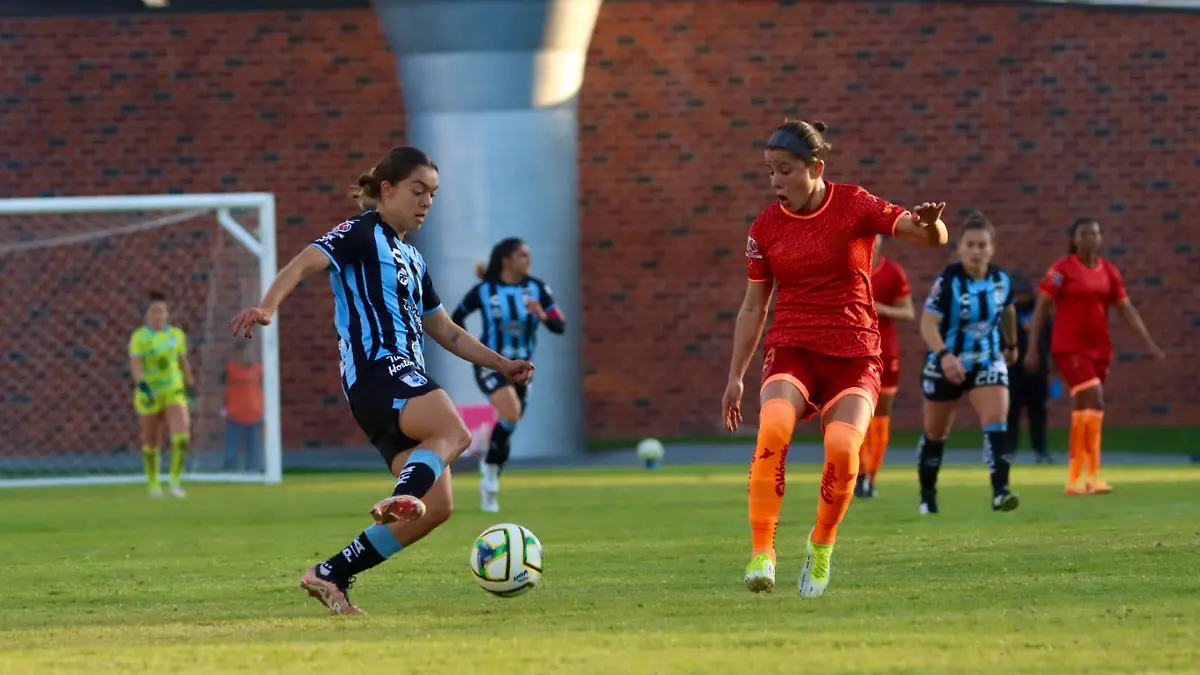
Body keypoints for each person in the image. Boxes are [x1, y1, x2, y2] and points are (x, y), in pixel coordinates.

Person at [229, 146, 534, 615]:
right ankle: (402, 495)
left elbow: (447, 330)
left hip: (392, 384)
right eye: (417, 190)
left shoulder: (412, 259)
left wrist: (502, 365)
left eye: (432, 193)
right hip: (380, 370)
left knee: (439, 507)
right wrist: (268, 304)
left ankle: (330, 574)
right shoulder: (359, 232)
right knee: (452, 432)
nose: (426, 201)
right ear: (387, 190)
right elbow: (304, 263)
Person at [722, 119, 947, 598]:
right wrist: (735, 376)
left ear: (816, 168)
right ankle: (763, 552)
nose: (775, 181)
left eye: (785, 170)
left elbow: (928, 236)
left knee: (845, 451)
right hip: (793, 348)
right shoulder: (764, 228)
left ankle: (821, 544)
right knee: (774, 426)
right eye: (769, 172)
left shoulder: (854, 204)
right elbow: (753, 306)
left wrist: (932, 224)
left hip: (855, 351)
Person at [1025, 218, 1164, 495]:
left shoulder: (1109, 272)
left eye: (1095, 233)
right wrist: (1031, 347)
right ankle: (1095, 474)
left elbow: (1126, 309)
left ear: (1101, 238)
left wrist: (1148, 342)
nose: (1090, 238)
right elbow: (1042, 307)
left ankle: (1077, 478)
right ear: (1074, 239)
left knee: (1084, 410)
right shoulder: (1062, 270)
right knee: (1095, 398)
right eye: (1084, 233)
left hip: (1099, 350)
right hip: (1069, 348)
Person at [916, 213, 1020, 515]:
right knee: (936, 432)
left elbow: (1009, 312)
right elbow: (927, 324)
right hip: (945, 362)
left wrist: (1011, 345)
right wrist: (946, 356)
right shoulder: (948, 282)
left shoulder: (1001, 280)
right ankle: (928, 497)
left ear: (992, 248)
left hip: (987, 359)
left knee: (997, 420)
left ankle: (1001, 493)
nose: (976, 251)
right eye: (970, 245)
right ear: (960, 247)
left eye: (982, 245)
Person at [451, 238, 565, 513]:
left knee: (509, 423)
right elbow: (454, 318)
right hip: (491, 365)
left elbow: (559, 325)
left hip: (523, 369)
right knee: (511, 412)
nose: (528, 260)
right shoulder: (483, 291)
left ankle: (490, 470)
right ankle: (490, 479)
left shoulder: (538, 289)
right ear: (507, 259)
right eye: (522, 255)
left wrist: (542, 316)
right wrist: (473, 350)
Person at [855, 234, 913, 498]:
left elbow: (908, 312)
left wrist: (880, 309)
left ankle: (871, 477)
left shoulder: (893, 272)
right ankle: (859, 474)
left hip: (885, 353)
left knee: (880, 417)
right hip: (854, 352)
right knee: (856, 415)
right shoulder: (848, 270)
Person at [129, 290, 196, 498]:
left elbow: (183, 362)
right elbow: (136, 364)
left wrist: (190, 383)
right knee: (151, 439)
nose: (158, 315)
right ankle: (153, 483)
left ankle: (175, 482)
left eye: (162, 312)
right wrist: (142, 385)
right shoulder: (140, 337)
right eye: (154, 311)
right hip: (150, 392)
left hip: (173, 389)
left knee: (182, 433)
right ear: (147, 314)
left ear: (167, 314)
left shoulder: (176, 335)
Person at [1007, 271, 1053, 464]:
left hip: (1037, 369)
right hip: (1013, 369)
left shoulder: (1039, 312)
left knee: (1038, 411)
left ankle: (1040, 450)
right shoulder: (1007, 312)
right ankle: (1009, 450)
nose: (1021, 297)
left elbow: (1049, 336)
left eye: (1024, 293)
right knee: (1011, 411)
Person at [221, 341, 263, 472]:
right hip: (234, 416)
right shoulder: (229, 370)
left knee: (254, 448)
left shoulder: (259, 371)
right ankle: (230, 470)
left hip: (254, 416)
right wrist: (223, 409)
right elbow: (221, 389)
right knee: (232, 449)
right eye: (241, 354)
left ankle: (253, 470)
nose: (244, 357)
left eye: (247, 353)